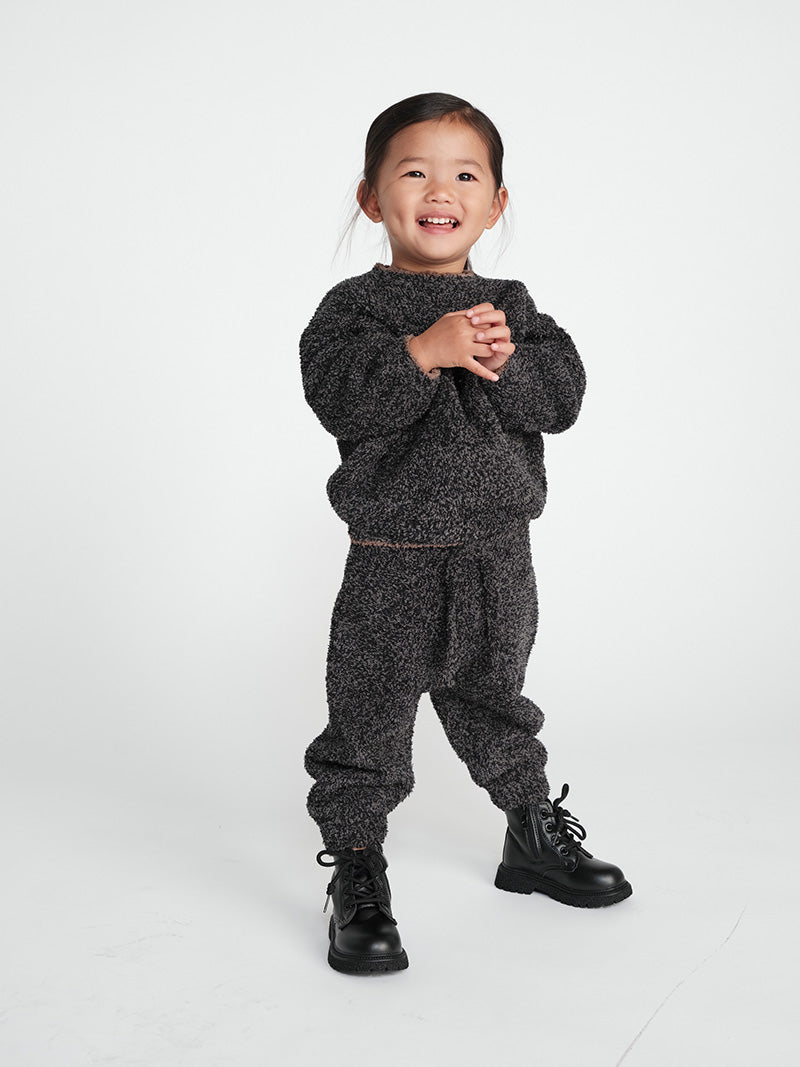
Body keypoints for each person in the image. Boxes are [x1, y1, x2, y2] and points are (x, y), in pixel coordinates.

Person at [300, 92, 632, 976]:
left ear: (495, 203)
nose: (439, 190)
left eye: (464, 175)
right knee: (367, 720)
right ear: (372, 197)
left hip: (497, 556)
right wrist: (424, 351)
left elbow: (562, 397)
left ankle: (531, 834)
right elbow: (341, 397)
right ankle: (358, 870)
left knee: (496, 699)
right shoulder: (354, 311)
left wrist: (504, 360)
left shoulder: (512, 306)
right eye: (414, 171)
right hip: (392, 561)